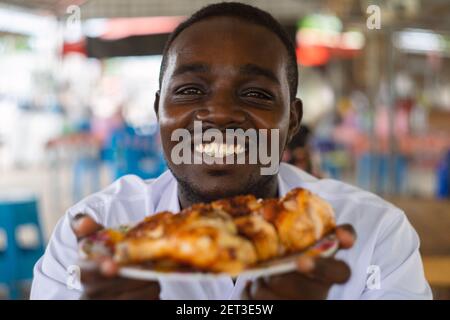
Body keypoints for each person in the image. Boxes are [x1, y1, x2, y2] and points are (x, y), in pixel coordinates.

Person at [30, 2, 431, 300]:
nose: (220, 114)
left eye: (255, 94)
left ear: (292, 121)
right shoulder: (97, 237)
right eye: (189, 90)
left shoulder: (371, 234)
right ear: (159, 111)